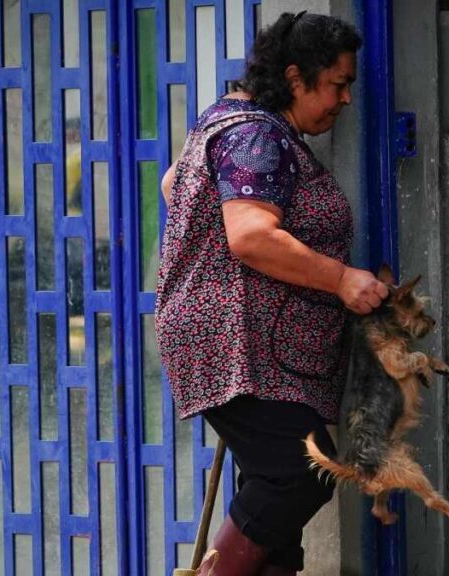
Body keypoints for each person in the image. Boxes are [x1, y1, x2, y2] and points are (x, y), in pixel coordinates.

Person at [155, 11, 386, 576]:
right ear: (295, 76)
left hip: (255, 347)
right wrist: (340, 278)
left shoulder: (232, 121)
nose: (346, 99)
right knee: (298, 473)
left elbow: (172, 183)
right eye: (337, 83)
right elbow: (251, 234)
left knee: (272, 510)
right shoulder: (258, 134)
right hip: (239, 348)